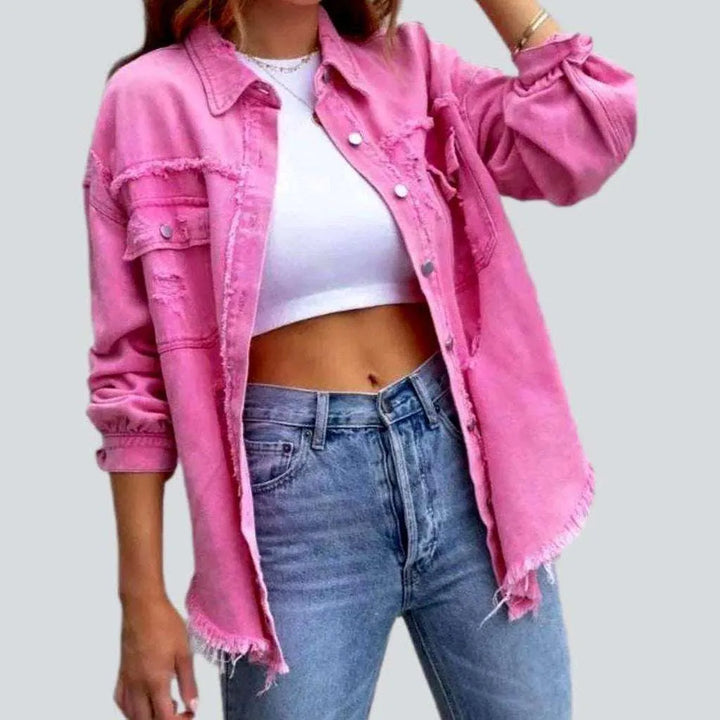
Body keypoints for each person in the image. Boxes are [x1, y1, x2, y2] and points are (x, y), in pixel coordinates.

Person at [82, 0, 636, 718]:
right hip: (293, 504)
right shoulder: (150, 99)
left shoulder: (410, 64)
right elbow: (130, 373)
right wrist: (141, 598)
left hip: (465, 473)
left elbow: (585, 141)